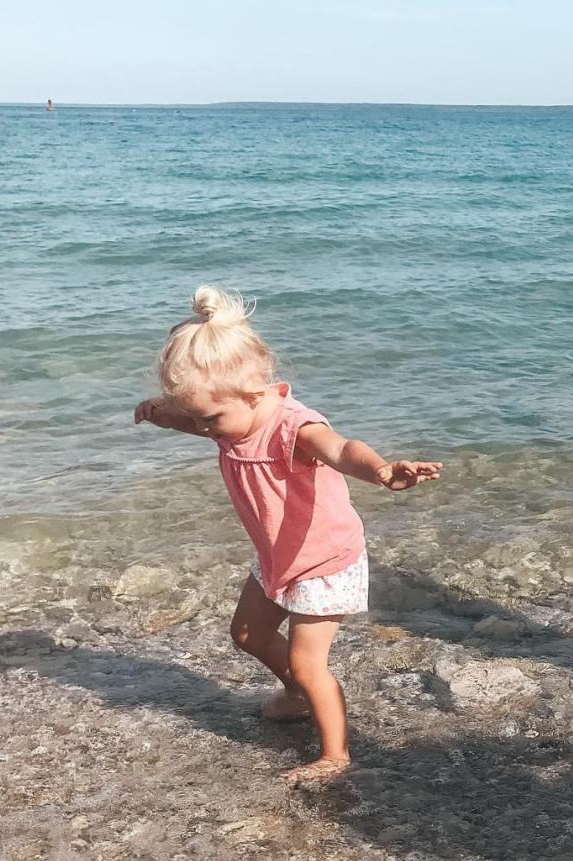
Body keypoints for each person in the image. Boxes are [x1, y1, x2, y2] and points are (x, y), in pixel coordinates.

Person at [135, 286, 442, 783]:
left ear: (254, 395)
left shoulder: (295, 428)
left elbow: (342, 450)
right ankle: (298, 696)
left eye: (208, 419)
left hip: (324, 562)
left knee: (307, 661)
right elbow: (200, 422)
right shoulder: (230, 422)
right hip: (279, 557)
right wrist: (162, 415)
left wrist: (383, 471)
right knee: (248, 634)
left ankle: (336, 753)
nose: (204, 430)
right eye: (195, 417)